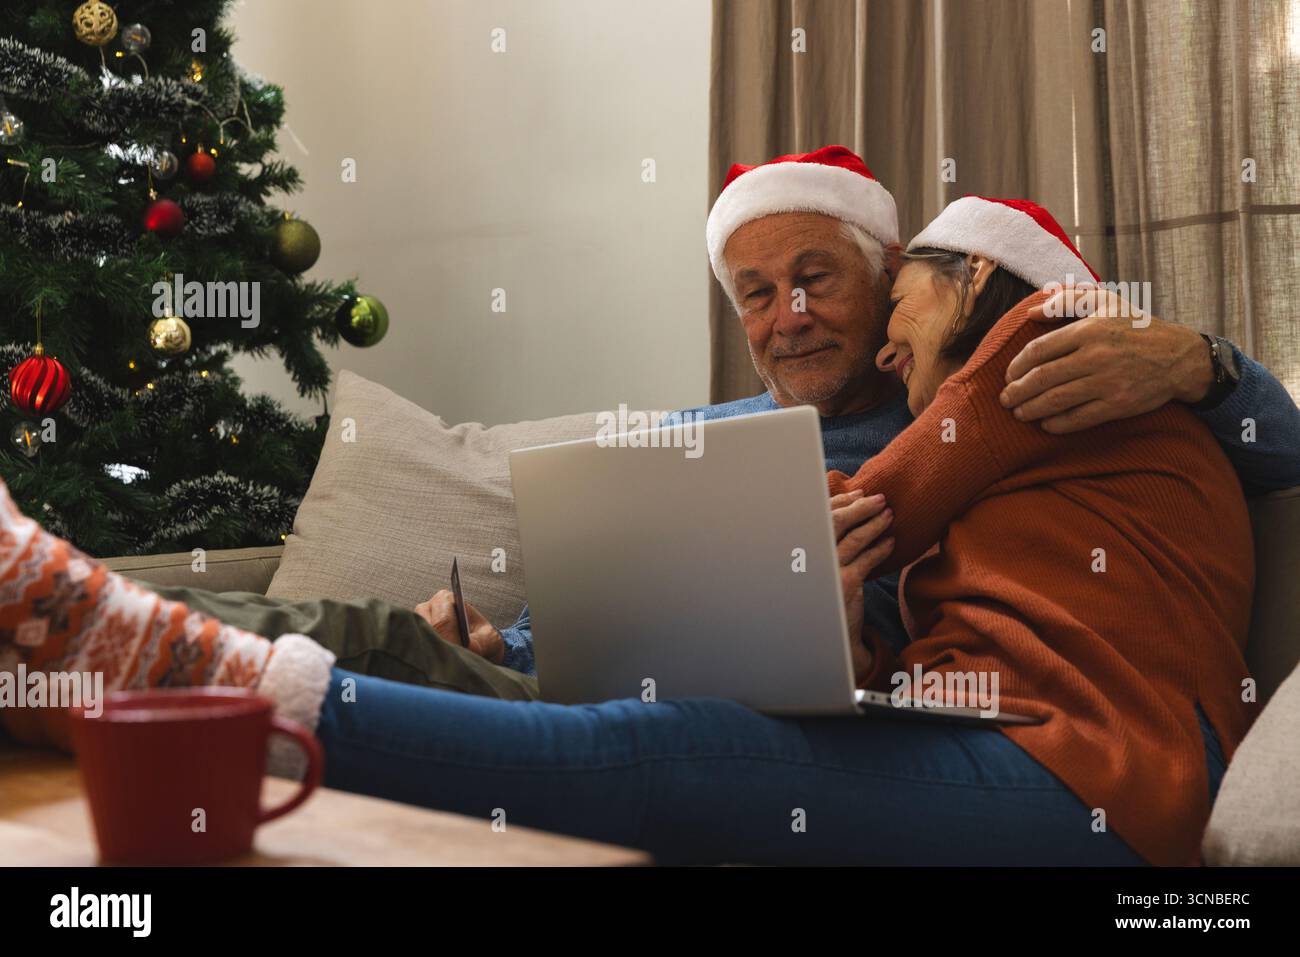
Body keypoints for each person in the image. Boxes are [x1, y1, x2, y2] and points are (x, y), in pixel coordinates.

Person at [4, 176, 1293, 863]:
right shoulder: (993, 455)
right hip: (990, 731)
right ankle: (114, 648)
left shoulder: (1057, 343)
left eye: (878, 295)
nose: (880, 341)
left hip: (1100, 782)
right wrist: (827, 597)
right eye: (756, 291)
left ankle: (208, 678)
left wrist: (1206, 360)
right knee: (668, 736)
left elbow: (883, 492)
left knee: (664, 751)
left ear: (969, 279)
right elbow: (869, 643)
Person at [146, 146, 1300, 700]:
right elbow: (592, 598)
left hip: (724, 713)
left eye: (816, 279)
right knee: (360, 638)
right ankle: (77, 625)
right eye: (755, 293)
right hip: (563, 685)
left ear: (895, 281)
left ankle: (91, 622)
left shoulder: (979, 413)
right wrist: (503, 642)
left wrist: (1203, 361)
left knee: (332, 646)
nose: (787, 316)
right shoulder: (708, 425)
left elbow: (1272, 457)